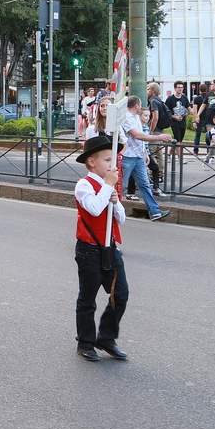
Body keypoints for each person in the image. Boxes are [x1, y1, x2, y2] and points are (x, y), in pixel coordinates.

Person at [72, 134, 129, 362]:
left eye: (113, 160)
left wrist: (115, 203)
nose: (111, 165)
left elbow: (121, 219)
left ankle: (106, 337)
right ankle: (85, 342)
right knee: (88, 298)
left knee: (120, 294)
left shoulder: (109, 187)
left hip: (110, 248)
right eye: (107, 160)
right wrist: (107, 187)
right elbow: (94, 209)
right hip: (89, 250)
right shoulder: (84, 185)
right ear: (91, 162)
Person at [120, 96, 173, 221]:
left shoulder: (135, 118)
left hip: (137, 156)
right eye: (141, 105)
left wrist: (144, 153)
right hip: (128, 156)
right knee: (121, 185)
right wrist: (160, 137)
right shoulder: (126, 117)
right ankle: (110, 210)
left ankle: (155, 212)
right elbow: (137, 135)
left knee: (144, 184)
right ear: (136, 106)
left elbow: (140, 137)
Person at [164, 81, 190, 163]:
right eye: (178, 87)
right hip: (174, 122)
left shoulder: (184, 98)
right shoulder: (170, 99)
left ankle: (168, 155)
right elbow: (166, 111)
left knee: (177, 140)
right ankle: (180, 159)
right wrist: (174, 116)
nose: (180, 89)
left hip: (183, 121)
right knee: (178, 140)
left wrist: (191, 115)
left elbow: (188, 109)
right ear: (175, 88)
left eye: (182, 87)